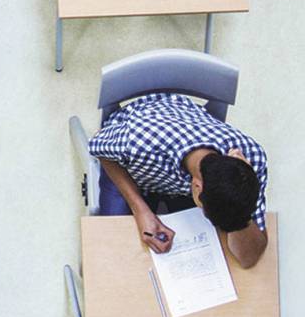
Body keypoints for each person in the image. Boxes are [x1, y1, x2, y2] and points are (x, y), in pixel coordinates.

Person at [88, 93, 268, 269]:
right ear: (196, 188)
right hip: (130, 161)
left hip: (173, 176)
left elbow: (248, 258)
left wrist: (241, 207)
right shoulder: (137, 143)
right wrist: (141, 210)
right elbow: (99, 146)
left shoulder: (250, 162)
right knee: (115, 250)